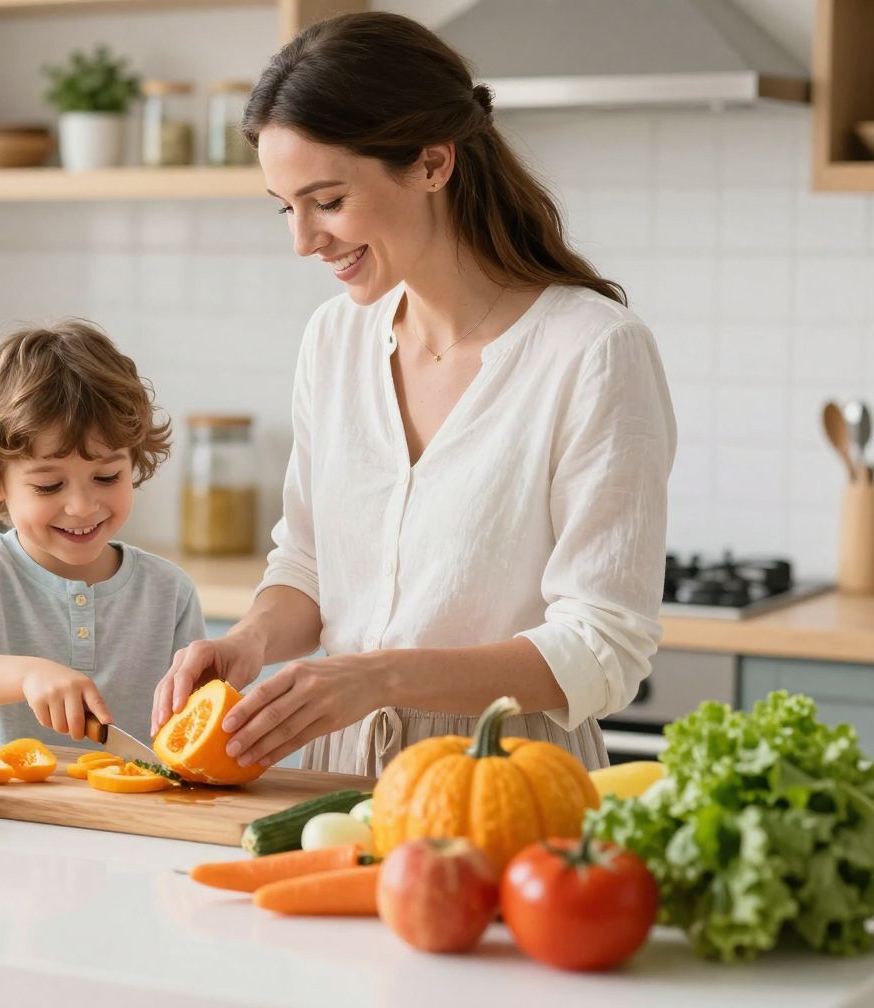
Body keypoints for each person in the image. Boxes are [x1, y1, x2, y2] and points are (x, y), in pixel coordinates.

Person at [152, 12, 675, 777]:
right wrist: (250, 641)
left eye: (327, 201)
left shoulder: (593, 351)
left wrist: (378, 677)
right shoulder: (334, 340)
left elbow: (603, 644)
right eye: (284, 206)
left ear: (432, 164)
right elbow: (306, 563)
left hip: (505, 781)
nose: (303, 240)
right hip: (331, 777)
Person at [0, 320, 206, 748]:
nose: (82, 506)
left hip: (128, 812)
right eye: (49, 485)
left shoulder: (169, 591)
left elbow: (196, 720)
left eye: (106, 476)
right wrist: (28, 674)